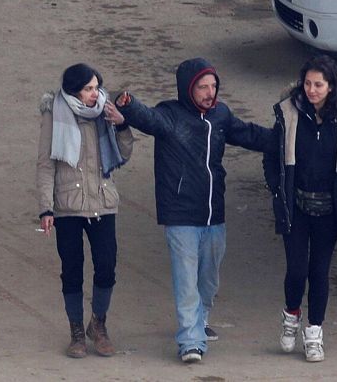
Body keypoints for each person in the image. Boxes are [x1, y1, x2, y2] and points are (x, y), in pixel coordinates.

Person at [114, 57, 272, 364]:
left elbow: (251, 135)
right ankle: (190, 341)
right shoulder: (170, 114)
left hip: (214, 213)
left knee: (208, 280)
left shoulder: (221, 115)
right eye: (203, 87)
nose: (210, 93)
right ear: (188, 88)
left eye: (213, 86)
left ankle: (200, 319)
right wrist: (128, 104)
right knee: (186, 280)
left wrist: (287, 137)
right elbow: (148, 118)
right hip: (180, 214)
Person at [263, 55, 337, 362]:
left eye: (318, 85)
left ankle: (314, 333)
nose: (311, 90)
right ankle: (291, 316)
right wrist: (276, 187)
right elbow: (271, 155)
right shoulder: (287, 113)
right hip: (296, 206)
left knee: (319, 272)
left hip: (330, 208)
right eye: (308, 84)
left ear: (331, 86)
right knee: (297, 270)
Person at [36, 63, 133, 358]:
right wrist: (46, 208)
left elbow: (124, 153)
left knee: (106, 265)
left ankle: (98, 324)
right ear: (73, 90)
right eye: (88, 89)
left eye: (96, 87)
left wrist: (122, 124)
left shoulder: (105, 111)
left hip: (103, 202)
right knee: (72, 269)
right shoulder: (55, 113)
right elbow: (46, 164)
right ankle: (76, 331)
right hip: (68, 206)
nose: (94, 94)